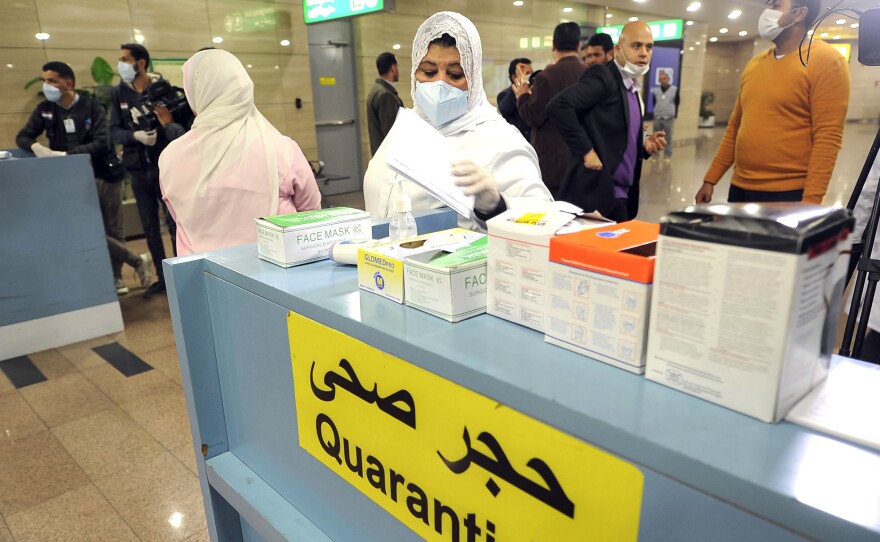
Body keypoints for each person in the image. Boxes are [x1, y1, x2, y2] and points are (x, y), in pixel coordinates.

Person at [363, 11, 552, 232]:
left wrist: (496, 205)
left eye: (454, 74)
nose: (439, 83)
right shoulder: (406, 128)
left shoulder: (501, 139)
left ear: (473, 78)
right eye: (429, 71)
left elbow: (542, 218)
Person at [159, 50, 322, 256]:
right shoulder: (281, 148)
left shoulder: (170, 157)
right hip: (276, 276)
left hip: (202, 277)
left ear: (196, 93)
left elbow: (177, 217)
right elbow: (312, 214)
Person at [16, 61, 152, 295]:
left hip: (105, 175)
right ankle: (137, 260)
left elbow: (101, 143)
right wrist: (35, 145)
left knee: (113, 228)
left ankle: (116, 277)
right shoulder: (45, 110)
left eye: (51, 80)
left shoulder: (93, 107)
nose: (46, 85)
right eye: (45, 80)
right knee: (86, 227)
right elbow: (23, 136)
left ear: (68, 84)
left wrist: (65, 155)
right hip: (71, 181)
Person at [694, 0, 849, 205]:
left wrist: (811, 201)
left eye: (775, 6)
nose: (767, 12)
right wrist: (710, 179)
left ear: (799, 14)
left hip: (788, 194)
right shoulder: (755, 64)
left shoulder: (826, 61)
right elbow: (735, 127)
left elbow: (827, 137)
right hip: (740, 188)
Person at [547, 21, 667, 222]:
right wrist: (587, 151)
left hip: (622, 193)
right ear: (618, 50)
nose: (644, 53)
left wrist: (644, 146)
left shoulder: (632, 87)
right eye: (636, 46)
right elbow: (558, 106)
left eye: (649, 47)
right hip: (600, 193)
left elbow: (618, 134)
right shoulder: (603, 77)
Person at [110, 43, 190, 299]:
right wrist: (135, 136)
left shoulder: (162, 89)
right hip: (137, 170)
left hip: (164, 167)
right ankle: (162, 278)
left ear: (141, 62)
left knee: (174, 223)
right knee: (150, 227)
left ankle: (181, 276)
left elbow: (178, 123)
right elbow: (113, 131)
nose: (120, 63)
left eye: (125, 59)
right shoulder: (118, 93)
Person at [515, 22, 585, 196]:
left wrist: (522, 96)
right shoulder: (588, 74)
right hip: (582, 162)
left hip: (552, 165)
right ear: (579, 45)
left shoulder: (547, 76)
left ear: (553, 44)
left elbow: (533, 116)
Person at [367, 52, 404, 156]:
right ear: (393, 68)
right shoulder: (385, 95)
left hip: (381, 154)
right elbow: (391, 133)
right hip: (388, 158)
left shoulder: (376, 89)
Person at [496, 57, 532, 141]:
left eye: (531, 73)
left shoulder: (535, 92)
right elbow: (505, 110)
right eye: (527, 73)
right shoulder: (504, 94)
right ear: (514, 77)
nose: (529, 76)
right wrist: (520, 82)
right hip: (517, 141)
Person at [650, 71, 679, 162]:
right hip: (658, 117)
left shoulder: (674, 90)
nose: (663, 81)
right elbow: (654, 102)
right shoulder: (656, 91)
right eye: (661, 79)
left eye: (664, 79)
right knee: (655, 137)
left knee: (668, 138)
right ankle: (655, 155)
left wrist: (673, 113)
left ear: (668, 79)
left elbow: (677, 102)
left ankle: (667, 156)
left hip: (669, 117)